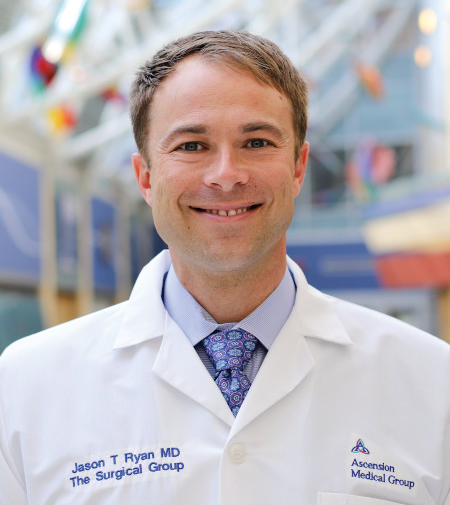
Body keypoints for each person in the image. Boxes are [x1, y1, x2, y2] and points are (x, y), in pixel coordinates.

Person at [0, 30, 449, 505]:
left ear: (298, 168)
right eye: (192, 146)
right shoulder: (25, 387)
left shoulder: (431, 381)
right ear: (145, 177)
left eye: (256, 141)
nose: (226, 175)